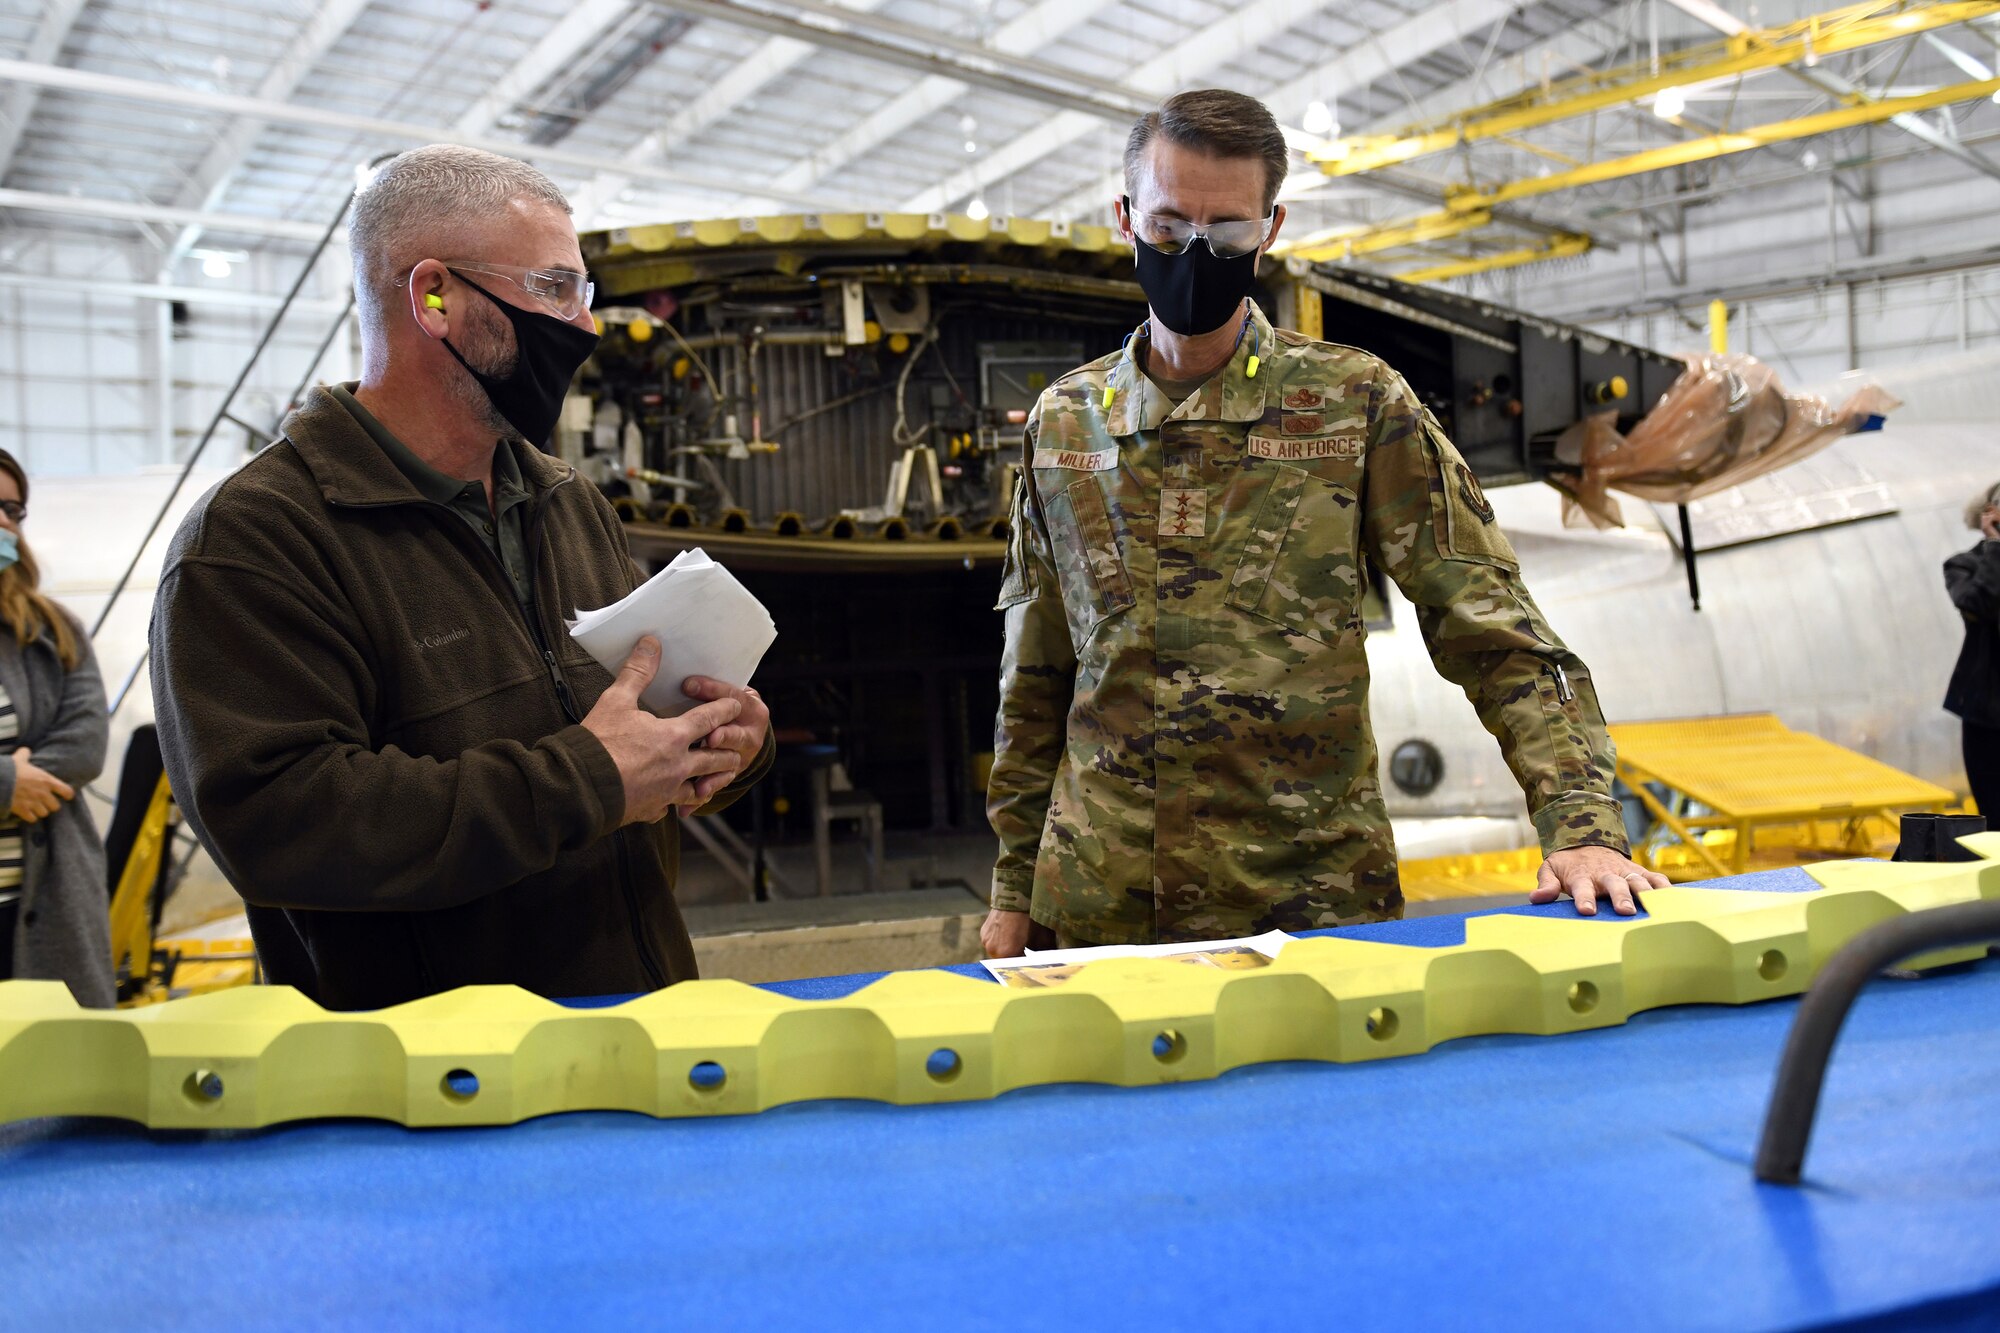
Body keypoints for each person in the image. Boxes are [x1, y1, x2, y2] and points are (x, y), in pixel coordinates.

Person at [983, 90, 1666, 957]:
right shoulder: (1064, 422)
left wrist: (1582, 822)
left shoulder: (1355, 404)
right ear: (1123, 218)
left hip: (1309, 906)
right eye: (1167, 228)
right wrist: (1014, 884)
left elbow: (1493, 626)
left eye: (1226, 234)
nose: (1194, 253)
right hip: (1097, 908)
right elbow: (1035, 674)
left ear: (1269, 231)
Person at [152, 146, 772, 1010]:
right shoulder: (258, 541)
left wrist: (714, 742)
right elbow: (283, 823)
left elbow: (626, 728)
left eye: (583, 292)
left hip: (637, 1032)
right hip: (431, 1090)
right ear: (434, 297)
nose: (585, 327)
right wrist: (588, 778)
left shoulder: (566, 501)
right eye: (554, 289)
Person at [0, 449, 114, 1007]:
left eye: (13, 510)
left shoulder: (51, 629)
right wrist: (5, 783)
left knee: (55, 1082)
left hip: (41, 898)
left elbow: (85, 741)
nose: (4, 523)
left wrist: (22, 780)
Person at [1944, 482, 2000, 818]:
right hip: (1987, 712)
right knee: (1994, 814)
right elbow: (1981, 602)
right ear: (1988, 513)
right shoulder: (1963, 565)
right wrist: (1996, 546)